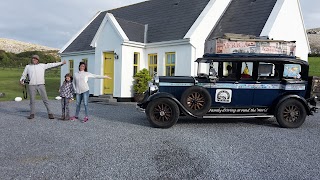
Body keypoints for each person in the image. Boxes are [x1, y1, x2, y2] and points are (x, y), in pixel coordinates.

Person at [20, 55, 66, 119]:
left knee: (45, 99)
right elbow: (24, 75)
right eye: (33, 59)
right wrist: (22, 80)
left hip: (41, 85)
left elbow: (51, 65)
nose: (34, 60)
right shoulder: (28, 66)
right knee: (32, 100)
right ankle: (32, 113)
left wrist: (61, 63)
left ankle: (50, 113)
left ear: (38, 60)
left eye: (35, 59)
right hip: (32, 85)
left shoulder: (42, 65)